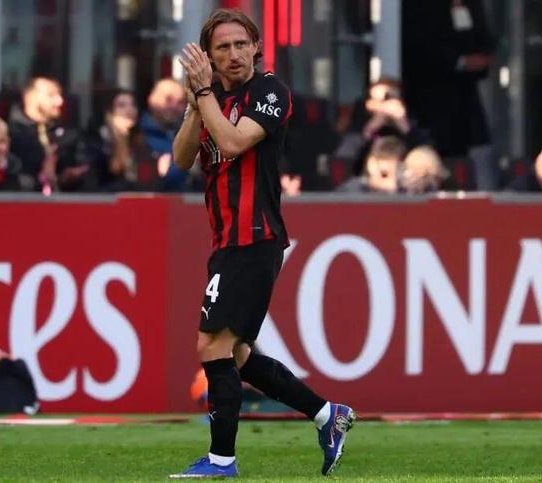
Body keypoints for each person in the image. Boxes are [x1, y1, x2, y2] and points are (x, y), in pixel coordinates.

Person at [170, 8, 356, 479]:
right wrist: (194, 104)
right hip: (226, 239)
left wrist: (204, 94)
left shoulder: (270, 92)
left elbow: (233, 143)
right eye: (222, 48)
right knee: (235, 355)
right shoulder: (211, 98)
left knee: (211, 344)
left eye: (241, 44)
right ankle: (327, 414)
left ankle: (221, 461)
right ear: (209, 57)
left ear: (256, 46)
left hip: (255, 237)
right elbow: (182, 157)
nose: (234, 54)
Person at [402, 0, 498, 190]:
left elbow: (485, 42)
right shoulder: (417, 6)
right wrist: (459, 62)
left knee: (475, 161)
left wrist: (477, 61)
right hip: (428, 100)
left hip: (465, 103)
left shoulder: (471, 4)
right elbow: (416, 43)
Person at [8, 76, 89, 193]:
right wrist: (42, 179)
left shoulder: (70, 133)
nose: (60, 101)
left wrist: (65, 179)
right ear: (29, 97)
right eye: (51, 95)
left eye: (59, 94)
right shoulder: (10, 134)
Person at [83, 89, 156, 192]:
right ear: (109, 113)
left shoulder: (141, 142)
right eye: (121, 105)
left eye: (133, 105)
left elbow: (148, 184)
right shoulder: (99, 143)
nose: (129, 110)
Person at [139, 78, 191, 191]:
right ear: (152, 99)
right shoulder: (137, 134)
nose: (174, 106)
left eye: (180, 102)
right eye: (168, 99)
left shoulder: (191, 134)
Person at [338, 136, 407, 194]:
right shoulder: (350, 192)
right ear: (371, 165)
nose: (393, 185)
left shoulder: (406, 191)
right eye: (384, 174)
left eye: (398, 176)